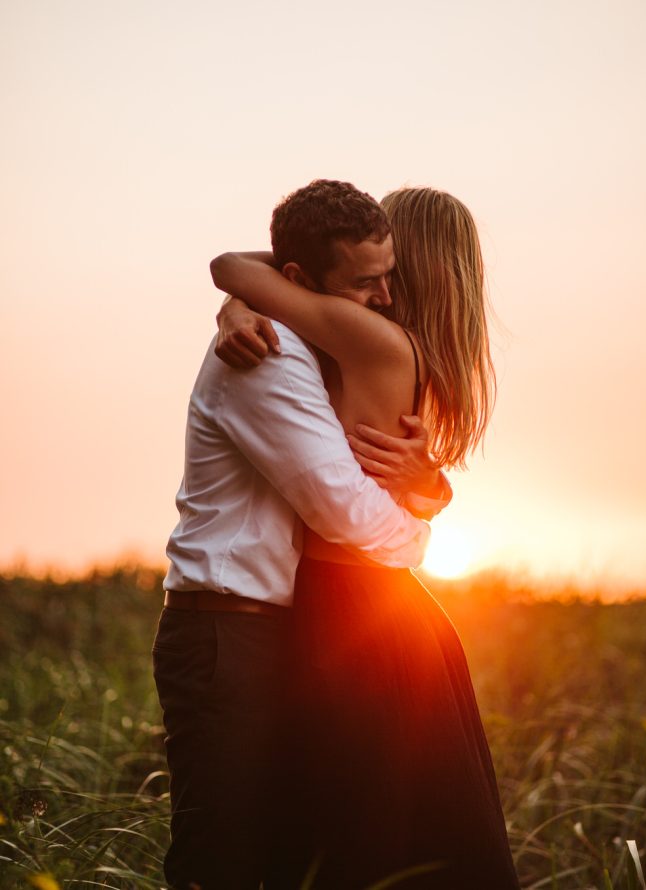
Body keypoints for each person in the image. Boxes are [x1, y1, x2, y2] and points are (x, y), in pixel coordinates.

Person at [212, 182, 522, 888]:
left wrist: (237, 299)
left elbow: (233, 266)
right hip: (396, 608)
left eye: (387, 268)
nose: (375, 286)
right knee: (418, 828)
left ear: (405, 268)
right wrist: (239, 309)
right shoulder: (399, 350)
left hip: (348, 604)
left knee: (356, 833)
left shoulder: (366, 339)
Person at [153, 181, 452, 890]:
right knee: (220, 861)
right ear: (297, 278)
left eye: (389, 277)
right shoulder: (267, 353)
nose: (384, 299)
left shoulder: (304, 339)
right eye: (365, 283)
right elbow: (341, 508)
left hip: (265, 630)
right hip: (225, 633)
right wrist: (419, 536)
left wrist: (432, 483)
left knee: (281, 855)